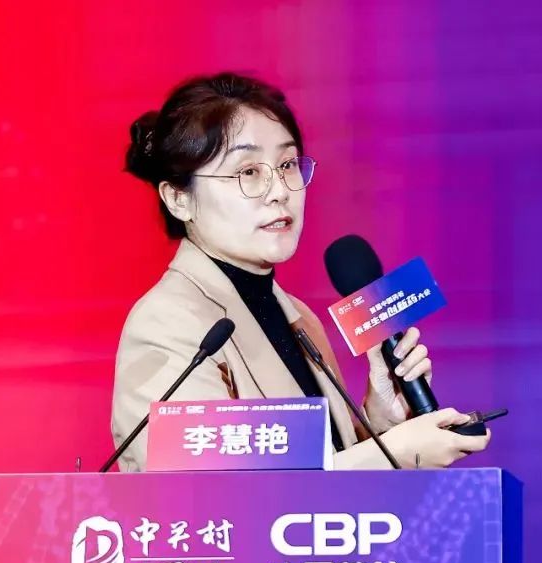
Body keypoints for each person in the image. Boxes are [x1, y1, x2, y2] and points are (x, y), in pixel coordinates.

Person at [110, 72, 490, 472]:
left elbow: (317, 471)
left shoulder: (301, 319)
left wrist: (379, 423)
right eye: (248, 172)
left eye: (287, 164)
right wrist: (390, 454)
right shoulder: (165, 323)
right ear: (178, 199)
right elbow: (206, 493)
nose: (279, 191)